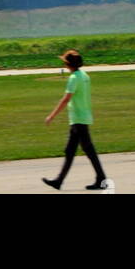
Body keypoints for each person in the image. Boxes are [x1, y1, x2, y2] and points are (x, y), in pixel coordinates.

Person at [42, 49, 107, 191]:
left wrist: (51, 116)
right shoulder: (84, 75)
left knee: (86, 150)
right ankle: (59, 181)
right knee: (71, 150)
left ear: (69, 64)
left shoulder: (73, 78)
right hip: (82, 117)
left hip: (78, 119)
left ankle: (101, 179)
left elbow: (66, 99)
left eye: (65, 63)